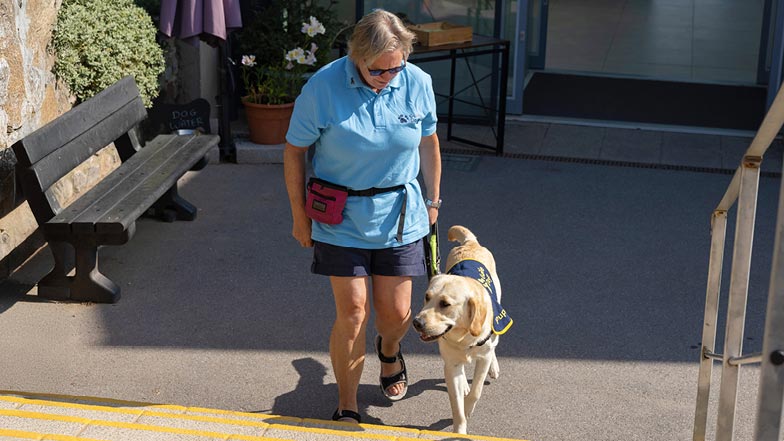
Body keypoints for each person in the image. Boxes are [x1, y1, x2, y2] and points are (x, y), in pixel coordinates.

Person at [283, 8, 442, 424]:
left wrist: (433, 202)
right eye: (377, 70)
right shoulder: (323, 87)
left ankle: (389, 351)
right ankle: (347, 403)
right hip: (339, 216)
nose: (388, 77)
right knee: (353, 312)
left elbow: (428, 143)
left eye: (396, 68)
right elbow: (294, 151)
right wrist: (299, 215)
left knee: (397, 315)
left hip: (400, 214)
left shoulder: (417, 82)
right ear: (357, 55)